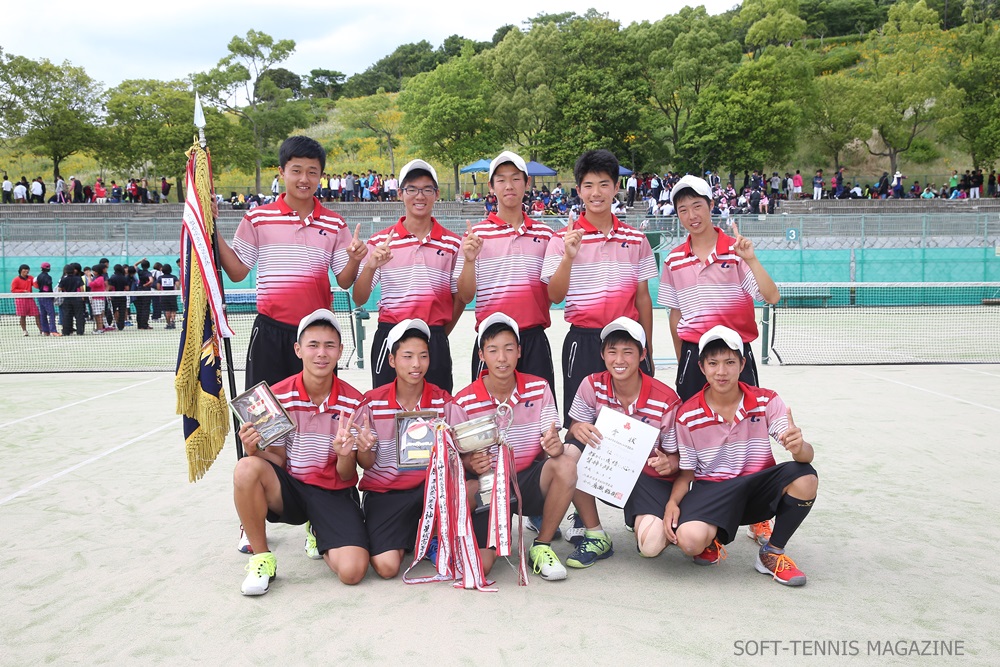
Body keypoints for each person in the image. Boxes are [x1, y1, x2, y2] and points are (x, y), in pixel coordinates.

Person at [665, 326, 819, 586]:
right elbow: (687, 473)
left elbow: (804, 455)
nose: (721, 371)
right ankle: (713, 536)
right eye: (713, 363)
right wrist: (672, 503)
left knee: (805, 477)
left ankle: (772, 552)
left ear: (742, 364)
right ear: (702, 367)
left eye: (729, 362)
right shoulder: (687, 414)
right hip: (713, 490)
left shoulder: (766, 400)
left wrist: (799, 446)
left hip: (756, 488)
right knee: (690, 542)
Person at [233, 309, 370, 595]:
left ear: (340, 351)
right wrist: (252, 450)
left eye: (329, 345)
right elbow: (279, 460)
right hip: (291, 490)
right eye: (313, 345)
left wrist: (345, 454)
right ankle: (262, 559)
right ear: (298, 350)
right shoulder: (275, 396)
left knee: (353, 571)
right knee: (246, 468)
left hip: (333, 491)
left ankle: (319, 530)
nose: (321, 353)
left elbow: (347, 474)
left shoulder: (355, 402)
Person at [216, 135, 368, 391]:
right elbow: (237, 271)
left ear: (321, 176)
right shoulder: (257, 218)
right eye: (296, 171)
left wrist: (354, 260)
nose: (304, 179)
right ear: (281, 172)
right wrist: (211, 229)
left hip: (315, 336)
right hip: (269, 333)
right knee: (264, 417)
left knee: (316, 412)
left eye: (312, 172)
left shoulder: (334, 223)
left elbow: (344, 280)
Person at [453, 312, 576, 581]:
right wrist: (470, 463)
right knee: (482, 567)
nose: (502, 358)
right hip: (487, 486)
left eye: (509, 349)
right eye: (493, 350)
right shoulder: (463, 401)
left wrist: (554, 447)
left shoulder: (539, 388)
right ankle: (472, 533)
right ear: (481, 355)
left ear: (519, 351)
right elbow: (455, 460)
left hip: (526, 480)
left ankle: (541, 546)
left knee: (565, 462)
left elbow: (550, 442)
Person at [541, 149, 657, 425]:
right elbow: (554, 296)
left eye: (604, 184)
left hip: (626, 340)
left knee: (630, 423)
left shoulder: (637, 239)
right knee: (581, 425)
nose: (596, 192)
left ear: (616, 187)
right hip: (582, 341)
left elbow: (643, 298)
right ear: (579, 190)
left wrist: (646, 348)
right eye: (589, 185)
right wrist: (569, 256)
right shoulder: (561, 240)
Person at [562, 317, 681, 567]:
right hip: (609, 472)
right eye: (612, 351)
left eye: (628, 352)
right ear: (603, 354)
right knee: (568, 454)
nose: (619, 360)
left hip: (650, 479)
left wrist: (669, 463)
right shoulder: (591, 384)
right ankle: (596, 534)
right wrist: (577, 427)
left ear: (642, 355)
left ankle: (640, 518)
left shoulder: (666, 398)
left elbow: (678, 457)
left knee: (650, 547)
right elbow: (572, 432)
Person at [658, 175, 780, 404]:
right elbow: (675, 314)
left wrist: (751, 260)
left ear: (711, 205)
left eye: (697, 206)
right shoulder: (673, 260)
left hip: (735, 353)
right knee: (693, 429)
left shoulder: (737, 253)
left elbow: (772, 297)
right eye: (683, 210)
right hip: (693, 356)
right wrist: (682, 359)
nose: (692, 216)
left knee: (742, 427)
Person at [355, 319, 461, 578]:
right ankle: (413, 534)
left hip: (431, 492)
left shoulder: (443, 401)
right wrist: (365, 449)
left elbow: (460, 449)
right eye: (408, 356)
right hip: (386, 493)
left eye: (423, 356)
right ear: (392, 360)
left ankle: (433, 534)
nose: (416, 364)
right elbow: (365, 464)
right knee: (387, 567)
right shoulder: (371, 402)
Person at [353, 159, 462, 393]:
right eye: (412, 189)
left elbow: (460, 297)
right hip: (390, 337)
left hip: (434, 338)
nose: (419, 196)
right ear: (400, 193)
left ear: (436, 194)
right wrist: (371, 265)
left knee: (438, 415)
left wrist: (439, 333)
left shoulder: (453, 243)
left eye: (426, 189)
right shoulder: (380, 242)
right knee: (386, 415)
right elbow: (359, 297)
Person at [455, 151, 556, 391]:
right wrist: (469, 260)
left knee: (539, 418)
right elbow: (466, 296)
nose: (508, 186)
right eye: (501, 180)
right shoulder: (475, 236)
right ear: (491, 186)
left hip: (534, 339)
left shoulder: (546, 235)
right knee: (488, 418)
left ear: (527, 183)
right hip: (492, 340)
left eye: (515, 178)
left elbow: (554, 294)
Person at [11, 265, 42, 336]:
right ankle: (24, 331)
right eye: (24, 269)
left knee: (37, 314)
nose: (26, 271)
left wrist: (37, 283)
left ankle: (41, 330)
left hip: (30, 299)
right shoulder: (16, 280)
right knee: (23, 316)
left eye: (27, 269)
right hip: (20, 300)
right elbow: (13, 290)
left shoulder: (31, 278)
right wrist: (23, 291)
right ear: (21, 270)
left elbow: (36, 286)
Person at [58, 263, 86, 335]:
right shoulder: (78, 278)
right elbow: (81, 288)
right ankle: (80, 331)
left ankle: (66, 332)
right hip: (77, 299)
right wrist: (82, 296)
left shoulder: (63, 279)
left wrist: (64, 290)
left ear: (66, 271)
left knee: (67, 315)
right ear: (74, 271)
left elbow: (59, 288)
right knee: (79, 316)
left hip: (67, 299)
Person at [34, 262, 57, 336]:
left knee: (43, 314)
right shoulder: (48, 277)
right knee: (51, 313)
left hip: (40, 296)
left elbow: (38, 285)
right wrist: (51, 295)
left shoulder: (38, 276)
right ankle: (53, 330)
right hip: (47, 296)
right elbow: (48, 287)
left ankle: (45, 331)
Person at [107, 264, 131, 331]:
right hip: (122, 297)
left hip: (114, 297)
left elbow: (110, 287)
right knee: (122, 311)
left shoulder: (112, 278)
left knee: (112, 310)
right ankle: (121, 326)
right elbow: (127, 288)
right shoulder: (124, 278)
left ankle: (108, 324)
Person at [156, 264, 179, 329]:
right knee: (173, 310)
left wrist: (160, 293)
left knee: (167, 311)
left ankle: (168, 324)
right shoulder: (174, 277)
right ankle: (172, 321)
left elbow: (158, 287)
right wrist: (177, 292)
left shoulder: (160, 278)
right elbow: (177, 285)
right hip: (172, 295)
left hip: (164, 296)